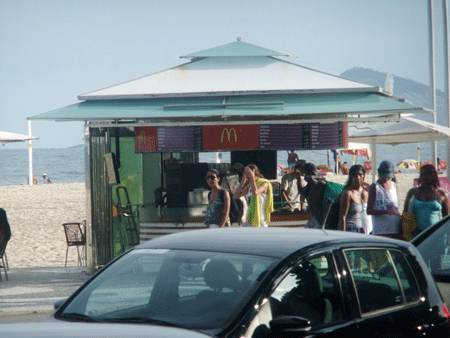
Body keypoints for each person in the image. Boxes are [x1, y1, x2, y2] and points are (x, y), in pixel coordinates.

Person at [404, 164, 449, 238]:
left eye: (427, 175)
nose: (423, 177)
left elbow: (446, 220)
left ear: (433, 176)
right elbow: (405, 214)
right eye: (422, 175)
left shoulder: (441, 194)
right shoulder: (413, 192)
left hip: (435, 234)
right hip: (417, 233)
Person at [367, 160, 402, 239]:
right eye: (385, 175)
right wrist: (385, 211)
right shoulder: (375, 187)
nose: (387, 178)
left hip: (394, 229)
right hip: (380, 230)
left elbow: (396, 207)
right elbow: (369, 210)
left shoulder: (394, 186)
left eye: (388, 176)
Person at [338, 165, 367, 233]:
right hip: (350, 230)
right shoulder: (348, 193)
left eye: (360, 175)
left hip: (362, 230)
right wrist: (343, 234)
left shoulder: (364, 193)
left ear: (364, 176)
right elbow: (342, 216)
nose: (358, 177)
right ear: (351, 177)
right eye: (355, 175)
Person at [299, 163, 327, 229]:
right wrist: (298, 179)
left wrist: (310, 176)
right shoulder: (310, 185)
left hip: (319, 217)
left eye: (305, 173)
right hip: (313, 216)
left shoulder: (319, 182)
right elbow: (301, 191)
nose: (304, 175)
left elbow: (310, 178)